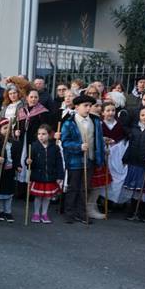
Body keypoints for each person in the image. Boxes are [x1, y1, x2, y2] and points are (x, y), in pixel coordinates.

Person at [60, 95, 105, 225]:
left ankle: (81, 213)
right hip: (75, 161)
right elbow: (65, 142)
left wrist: (100, 154)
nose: (88, 108)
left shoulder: (95, 121)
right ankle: (69, 213)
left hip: (90, 159)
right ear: (77, 107)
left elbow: (98, 139)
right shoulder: (69, 122)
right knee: (73, 187)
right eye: (85, 106)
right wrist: (78, 146)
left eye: (90, 106)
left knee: (85, 188)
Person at [121, 106, 145, 222]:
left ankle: (142, 212)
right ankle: (132, 210)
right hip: (134, 163)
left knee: (144, 190)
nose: (144, 117)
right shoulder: (135, 129)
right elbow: (130, 144)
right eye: (142, 115)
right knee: (134, 189)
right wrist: (125, 158)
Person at [28, 124, 64, 223]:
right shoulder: (34, 146)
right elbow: (30, 162)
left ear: (49, 135)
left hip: (50, 176)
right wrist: (28, 162)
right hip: (38, 176)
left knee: (47, 197)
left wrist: (60, 175)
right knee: (38, 196)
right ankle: (36, 213)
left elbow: (59, 162)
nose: (41, 136)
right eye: (39, 134)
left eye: (43, 134)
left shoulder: (55, 147)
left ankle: (44, 214)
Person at [101, 101, 128, 206]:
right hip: (106, 153)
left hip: (118, 153)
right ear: (103, 112)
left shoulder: (120, 125)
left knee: (118, 176)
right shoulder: (100, 124)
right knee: (106, 176)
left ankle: (117, 199)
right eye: (108, 110)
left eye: (113, 110)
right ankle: (104, 200)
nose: (111, 113)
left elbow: (124, 137)